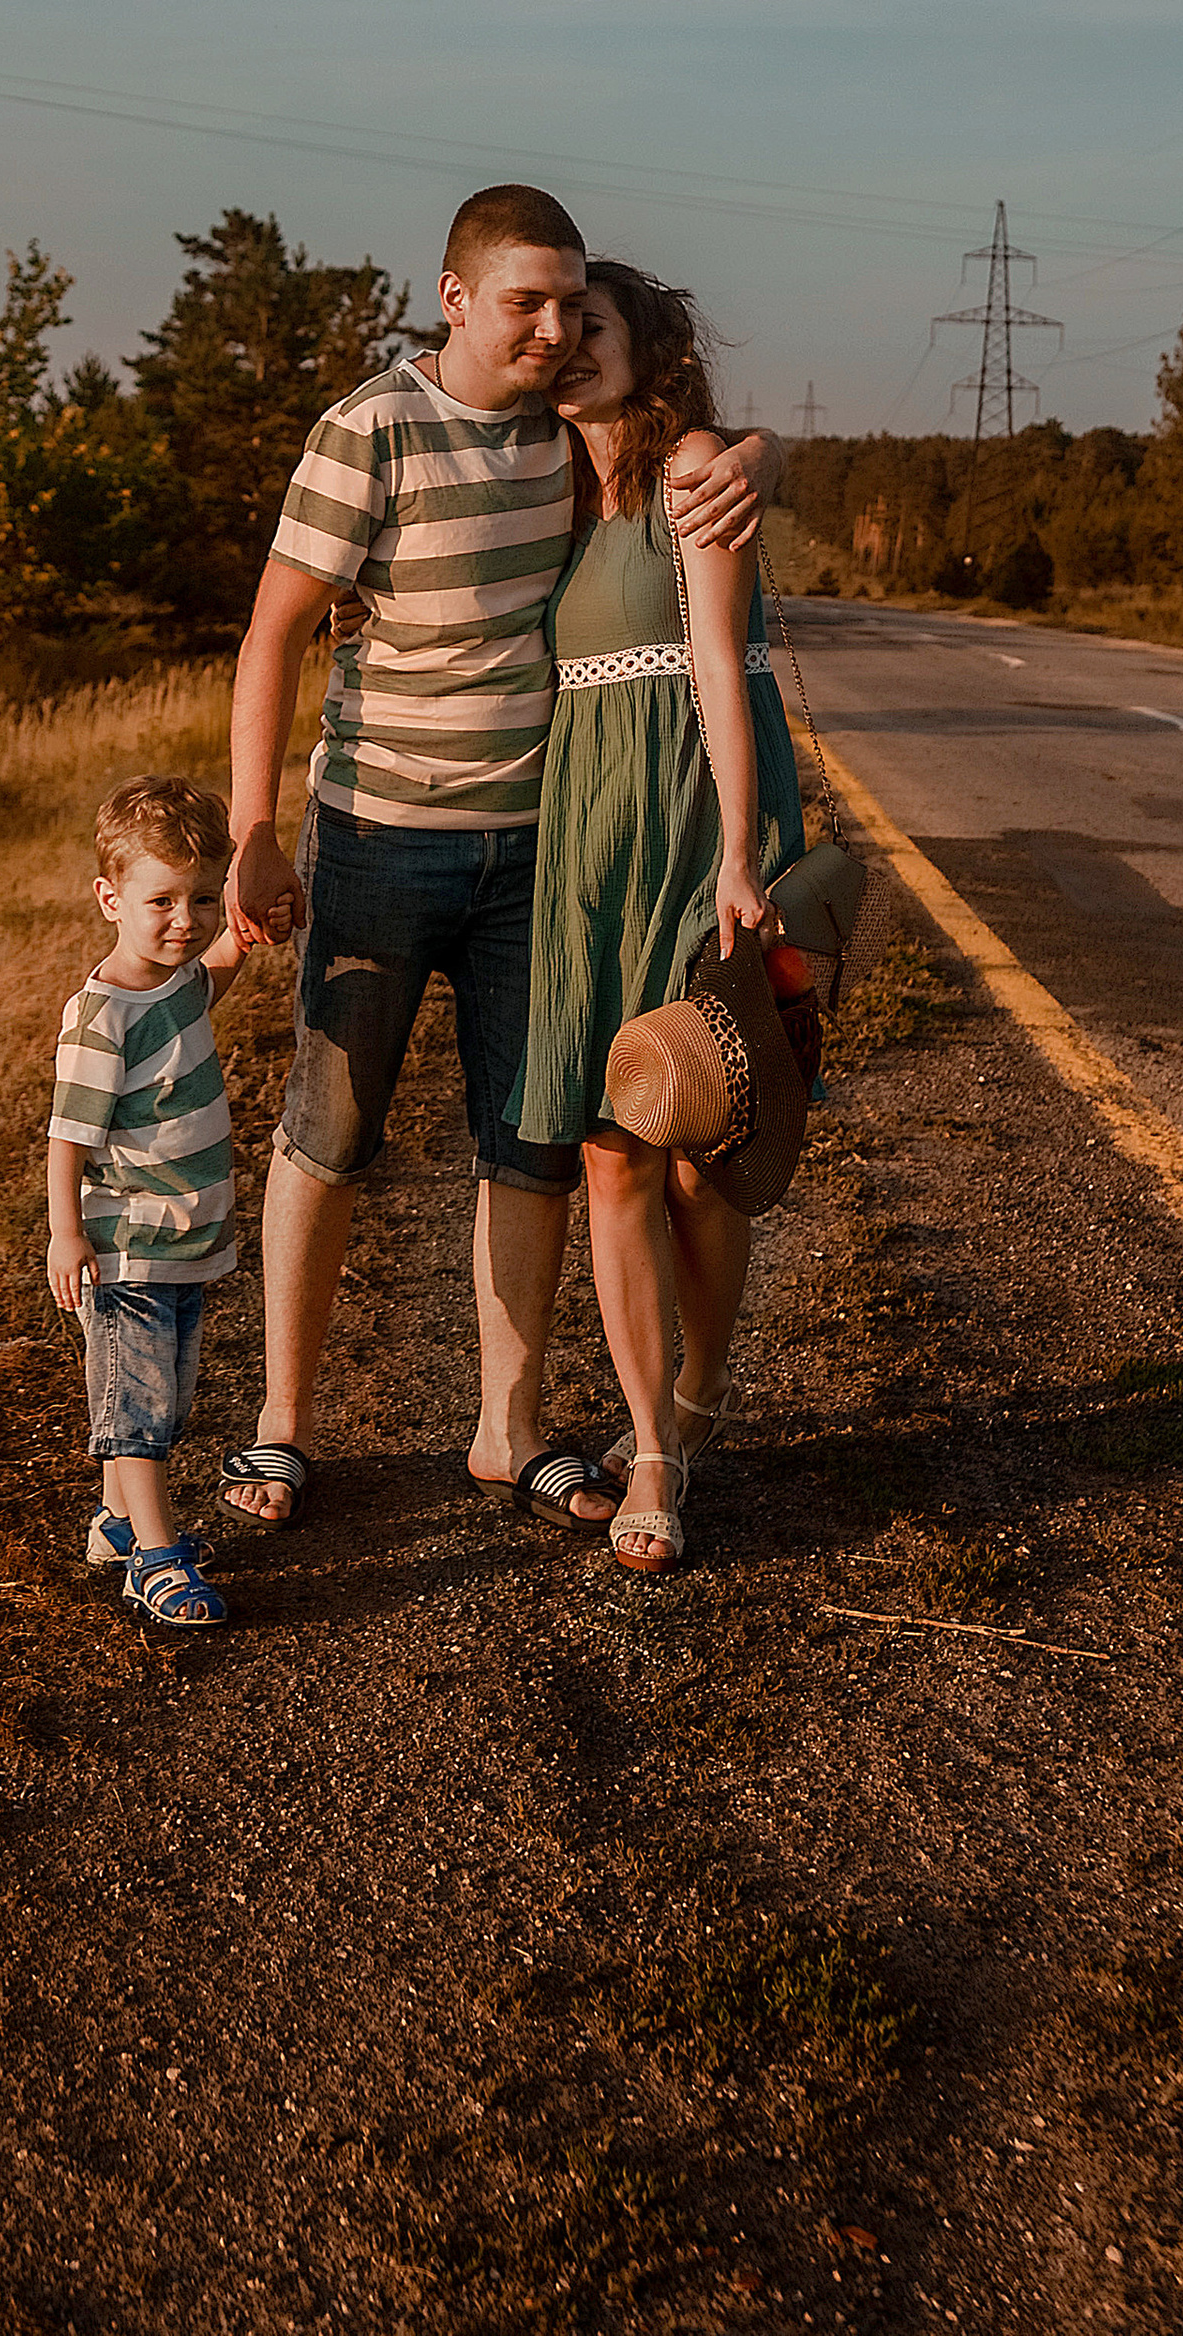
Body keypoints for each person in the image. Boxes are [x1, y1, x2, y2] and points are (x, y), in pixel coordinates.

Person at [219, 184, 782, 1533]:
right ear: (453, 296)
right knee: (331, 1129)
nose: (550, 329)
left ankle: (509, 1431)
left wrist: (760, 454)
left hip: (533, 844)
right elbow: (271, 633)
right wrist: (248, 829)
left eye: (570, 305)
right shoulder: (371, 429)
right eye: (526, 302)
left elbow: (678, 430)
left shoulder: (559, 424)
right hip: (374, 833)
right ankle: (282, 1428)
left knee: (530, 1142)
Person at [512, 261, 807, 1577]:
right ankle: (651, 1446)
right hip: (586, 849)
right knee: (611, 1155)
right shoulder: (537, 485)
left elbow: (717, 672)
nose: (570, 347)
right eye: (557, 329)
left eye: (597, 326)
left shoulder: (693, 467)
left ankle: (691, 1407)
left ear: (651, 344)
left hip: (693, 829)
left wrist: (741, 851)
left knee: (698, 1153)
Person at [44, 775, 247, 1631]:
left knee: (159, 1388)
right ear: (109, 898)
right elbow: (67, 1140)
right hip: (128, 1244)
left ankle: (119, 1525)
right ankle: (155, 1562)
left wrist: (249, 924)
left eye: (202, 897)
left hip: (186, 1236)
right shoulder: (102, 1019)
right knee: (140, 1409)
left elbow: (213, 979)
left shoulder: (176, 982)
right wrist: (65, 1236)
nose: (184, 920)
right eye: (160, 899)